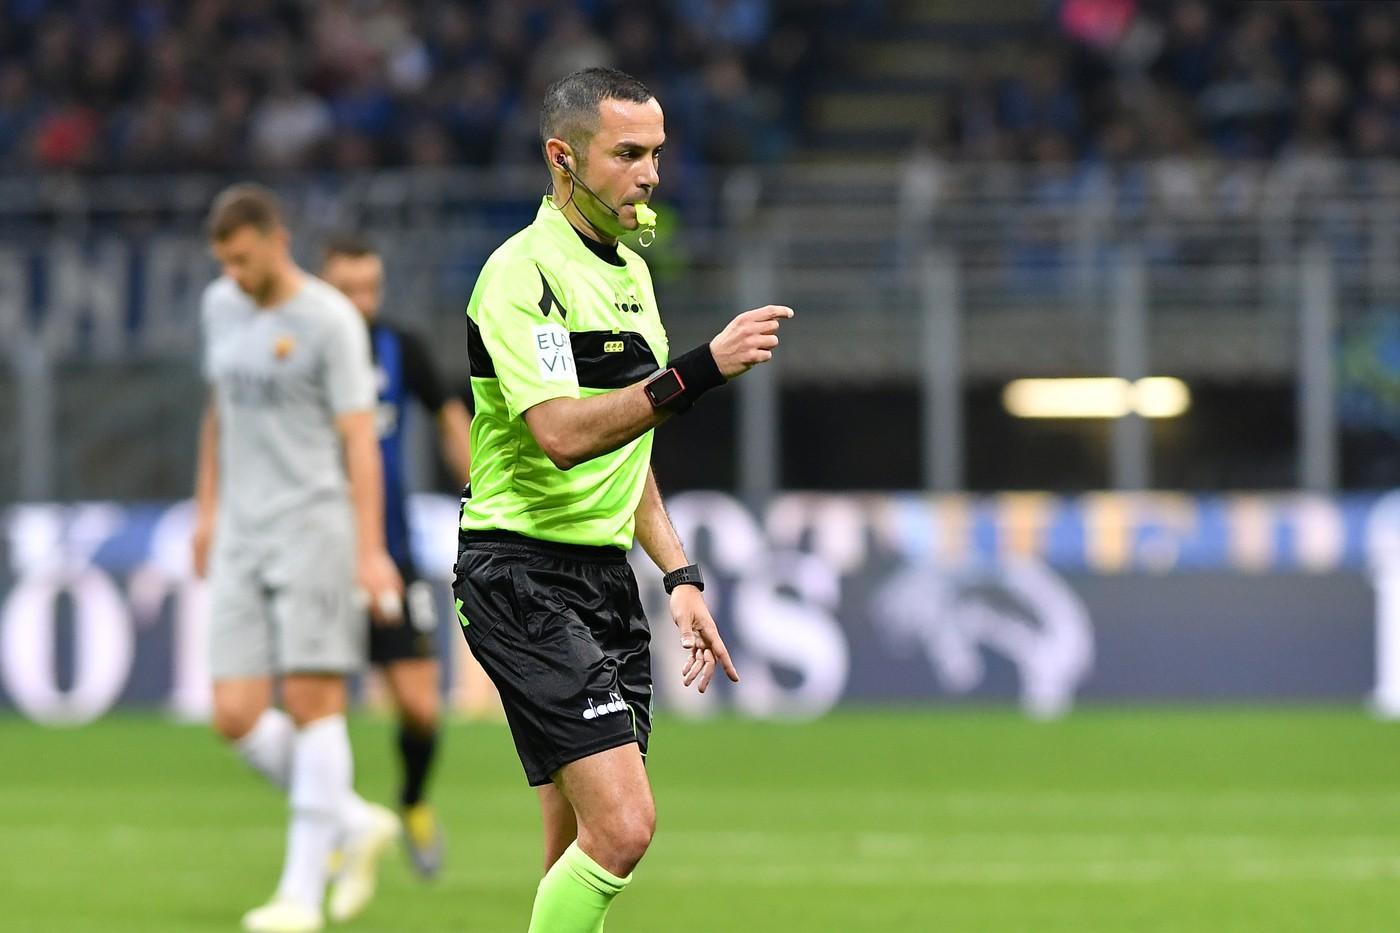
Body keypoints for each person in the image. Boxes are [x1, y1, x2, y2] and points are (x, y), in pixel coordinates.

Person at [452, 67, 793, 932]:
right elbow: (565, 434)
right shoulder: (520, 276)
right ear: (563, 159)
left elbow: (624, 443)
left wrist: (679, 572)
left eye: (657, 154)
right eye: (628, 154)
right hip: (519, 571)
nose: (649, 174)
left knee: (574, 841)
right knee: (625, 825)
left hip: (602, 579)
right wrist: (700, 369)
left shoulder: (632, 278)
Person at [192, 184, 403, 933]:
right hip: (243, 531)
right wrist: (207, 506)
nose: (236, 275)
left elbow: (359, 440)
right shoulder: (222, 306)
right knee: (234, 713)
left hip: (315, 523)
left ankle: (300, 895)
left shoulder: (329, 321)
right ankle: (350, 818)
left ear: (276, 242)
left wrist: (371, 548)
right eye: (226, 263)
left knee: (315, 705)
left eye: (245, 260)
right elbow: (220, 409)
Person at [320, 234, 473, 878]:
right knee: (320, 709)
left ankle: (410, 801)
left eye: (370, 289)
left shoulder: (399, 347)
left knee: (419, 705)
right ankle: (332, 827)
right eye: (346, 290)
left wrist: (477, 486)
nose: (360, 303)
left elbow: (448, 413)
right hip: (321, 556)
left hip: (393, 553)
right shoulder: (300, 348)